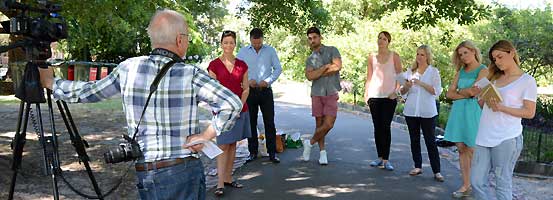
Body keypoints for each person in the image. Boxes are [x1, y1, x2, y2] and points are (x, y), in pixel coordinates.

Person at [38, 9, 242, 200]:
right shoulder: (191, 74)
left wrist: (51, 83)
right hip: (183, 171)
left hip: (147, 173)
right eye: (187, 38)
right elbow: (232, 103)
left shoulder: (128, 68)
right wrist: (206, 136)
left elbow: (89, 92)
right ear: (180, 40)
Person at [471, 40, 537, 200]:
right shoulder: (493, 78)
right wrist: (481, 96)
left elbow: (529, 112)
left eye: (500, 57)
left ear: (511, 53)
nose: (497, 62)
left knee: (502, 184)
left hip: (506, 139)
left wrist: (501, 107)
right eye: (494, 59)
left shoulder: (527, 81)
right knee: (476, 182)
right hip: (483, 137)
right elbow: (482, 106)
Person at [207, 30, 252, 196]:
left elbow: (246, 88)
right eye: (225, 42)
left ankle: (228, 178)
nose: (228, 45)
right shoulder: (214, 65)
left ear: (235, 44)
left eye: (231, 42)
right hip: (222, 112)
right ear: (221, 44)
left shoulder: (242, 65)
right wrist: (221, 109)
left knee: (233, 144)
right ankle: (220, 183)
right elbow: (211, 91)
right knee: (223, 144)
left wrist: (239, 106)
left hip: (240, 110)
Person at [443, 40, 488, 198]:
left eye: (465, 53)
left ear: (474, 51)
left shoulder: (484, 70)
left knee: (473, 149)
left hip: (473, 112)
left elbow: (474, 92)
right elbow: (448, 94)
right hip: (458, 113)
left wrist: (459, 92)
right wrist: (465, 91)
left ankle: (478, 186)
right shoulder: (460, 71)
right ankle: (466, 185)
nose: (463, 56)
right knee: (461, 148)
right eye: (460, 54)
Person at [236, 28, 282, 163]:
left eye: (259, 43)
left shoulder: (270, 51)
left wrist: (267, 81)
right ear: (250, 40)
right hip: (250, 92)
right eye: (254, 43)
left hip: (265, 91)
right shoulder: (243, 52)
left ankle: (272, 153)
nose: (257, 45)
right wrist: (246, 81)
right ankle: (253, 152)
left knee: (269, 122)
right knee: (251, 122)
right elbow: (237, 70)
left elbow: (278, 68)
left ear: (262, 39)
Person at [399, 45, 444, 181]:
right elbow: (401, 92)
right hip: (411, 110)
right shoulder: (409, 72)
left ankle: (437, 171)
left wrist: (421, 83)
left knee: (430, 141)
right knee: (414, 139)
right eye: (418, 54)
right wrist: (406, 86)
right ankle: (417, 166)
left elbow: (436, 91)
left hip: (427, 111)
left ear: (427, 56)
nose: (419, 57)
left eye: (422, 54)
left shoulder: (434, 72)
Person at [302, 27, 342, 165]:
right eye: (310, 38)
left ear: (320, 37)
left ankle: (310, 142)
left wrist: (317, 73)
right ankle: (322, 153)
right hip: (317, 93)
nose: (312, 40)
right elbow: (309, 76)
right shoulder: (309, 59)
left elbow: (337, 66)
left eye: (314, 37)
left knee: (329, 124)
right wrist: (325, 67)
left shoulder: (332, 50)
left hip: (331, 91)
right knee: (319, 124)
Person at [364, 31, 402, 171]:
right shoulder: (371, 57)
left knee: (385, 127)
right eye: (379, 38)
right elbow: (369, 77)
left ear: (388, 41)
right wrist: (366, 94)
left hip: (389, 97)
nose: (381, 41)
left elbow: (401, 77)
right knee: (377, 127)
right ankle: (379, 158)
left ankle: (386, 159)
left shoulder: (394, 56)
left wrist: (396, 92)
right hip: (374, 96)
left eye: (384, 39)